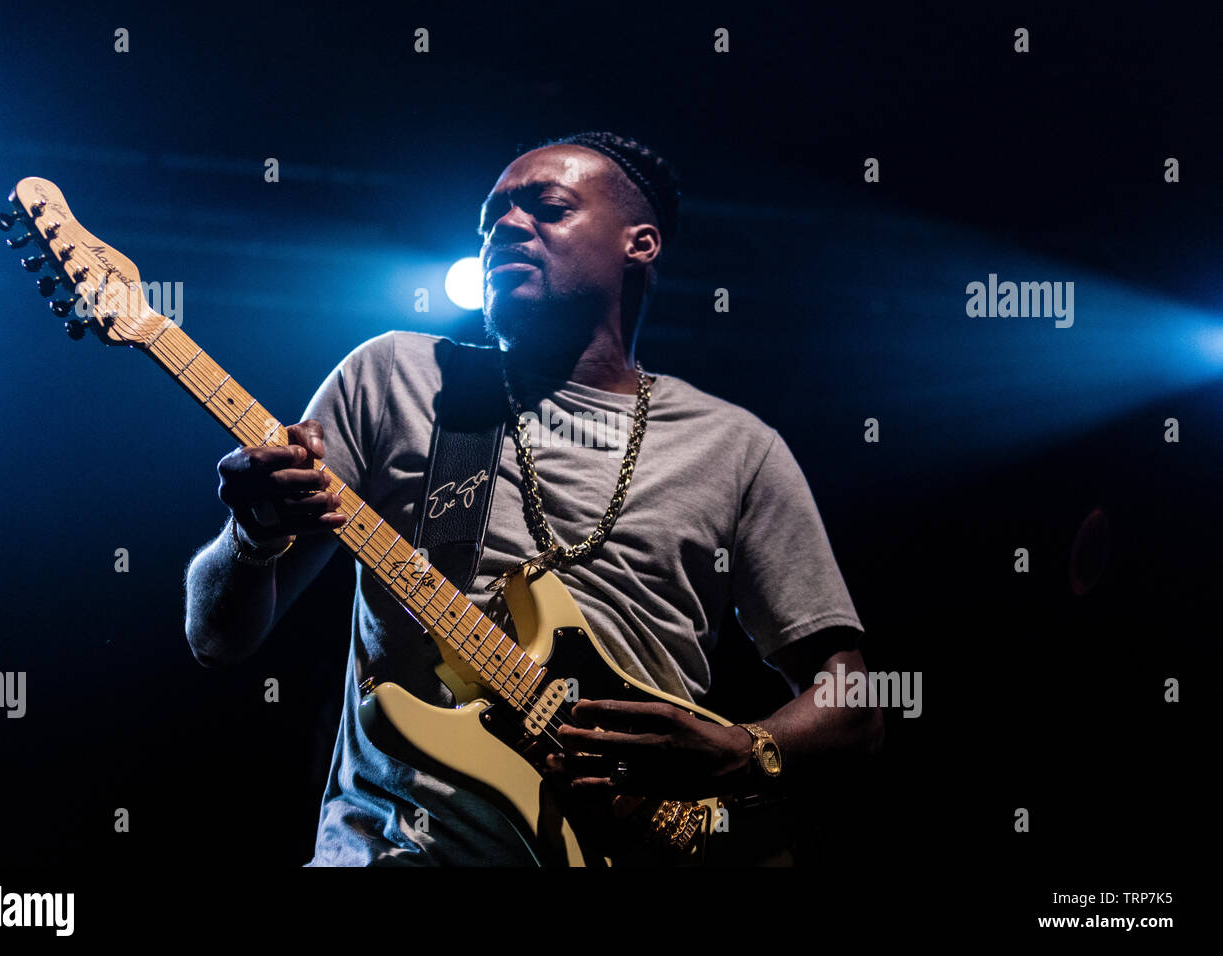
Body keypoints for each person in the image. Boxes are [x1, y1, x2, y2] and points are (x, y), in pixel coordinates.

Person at [184, 131, 883, 865]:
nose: (505, 228)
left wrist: (749, 751)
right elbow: (218, 639)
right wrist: (251, 536)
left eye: (546, 207)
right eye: (491, 219)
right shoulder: (395, 377)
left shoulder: (737, 447)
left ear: (638, 244)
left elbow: (856, 701)